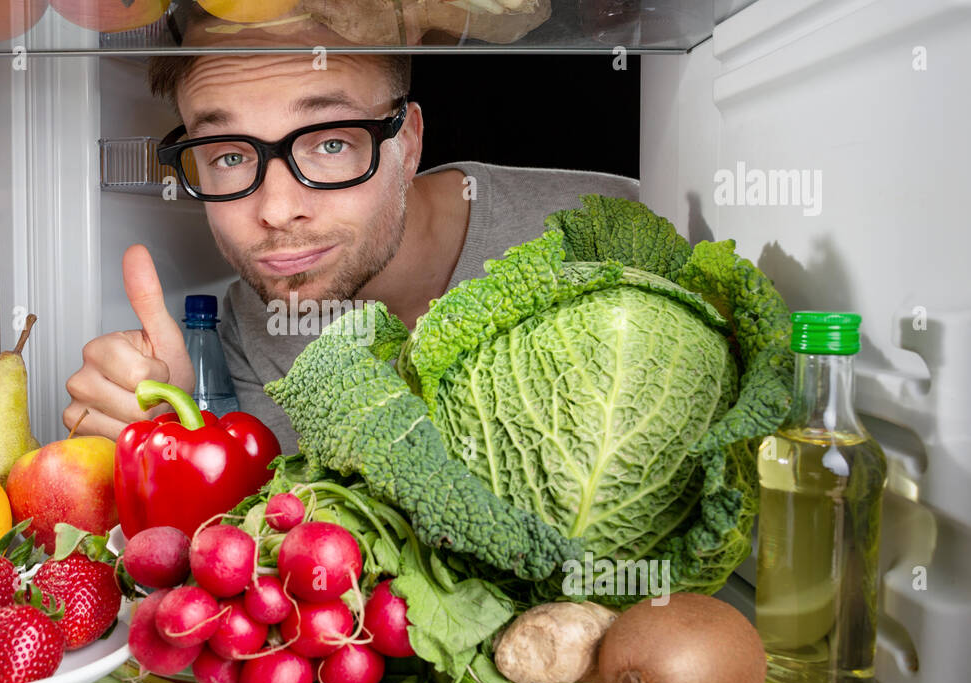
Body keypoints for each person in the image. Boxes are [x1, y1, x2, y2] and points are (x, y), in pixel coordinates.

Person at [64, 53, 640, 453]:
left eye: (331, 144)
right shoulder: (244, 331)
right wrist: (171, 430)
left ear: (407, 143)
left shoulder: (612, 222)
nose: (277, 209)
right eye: (228, 155)